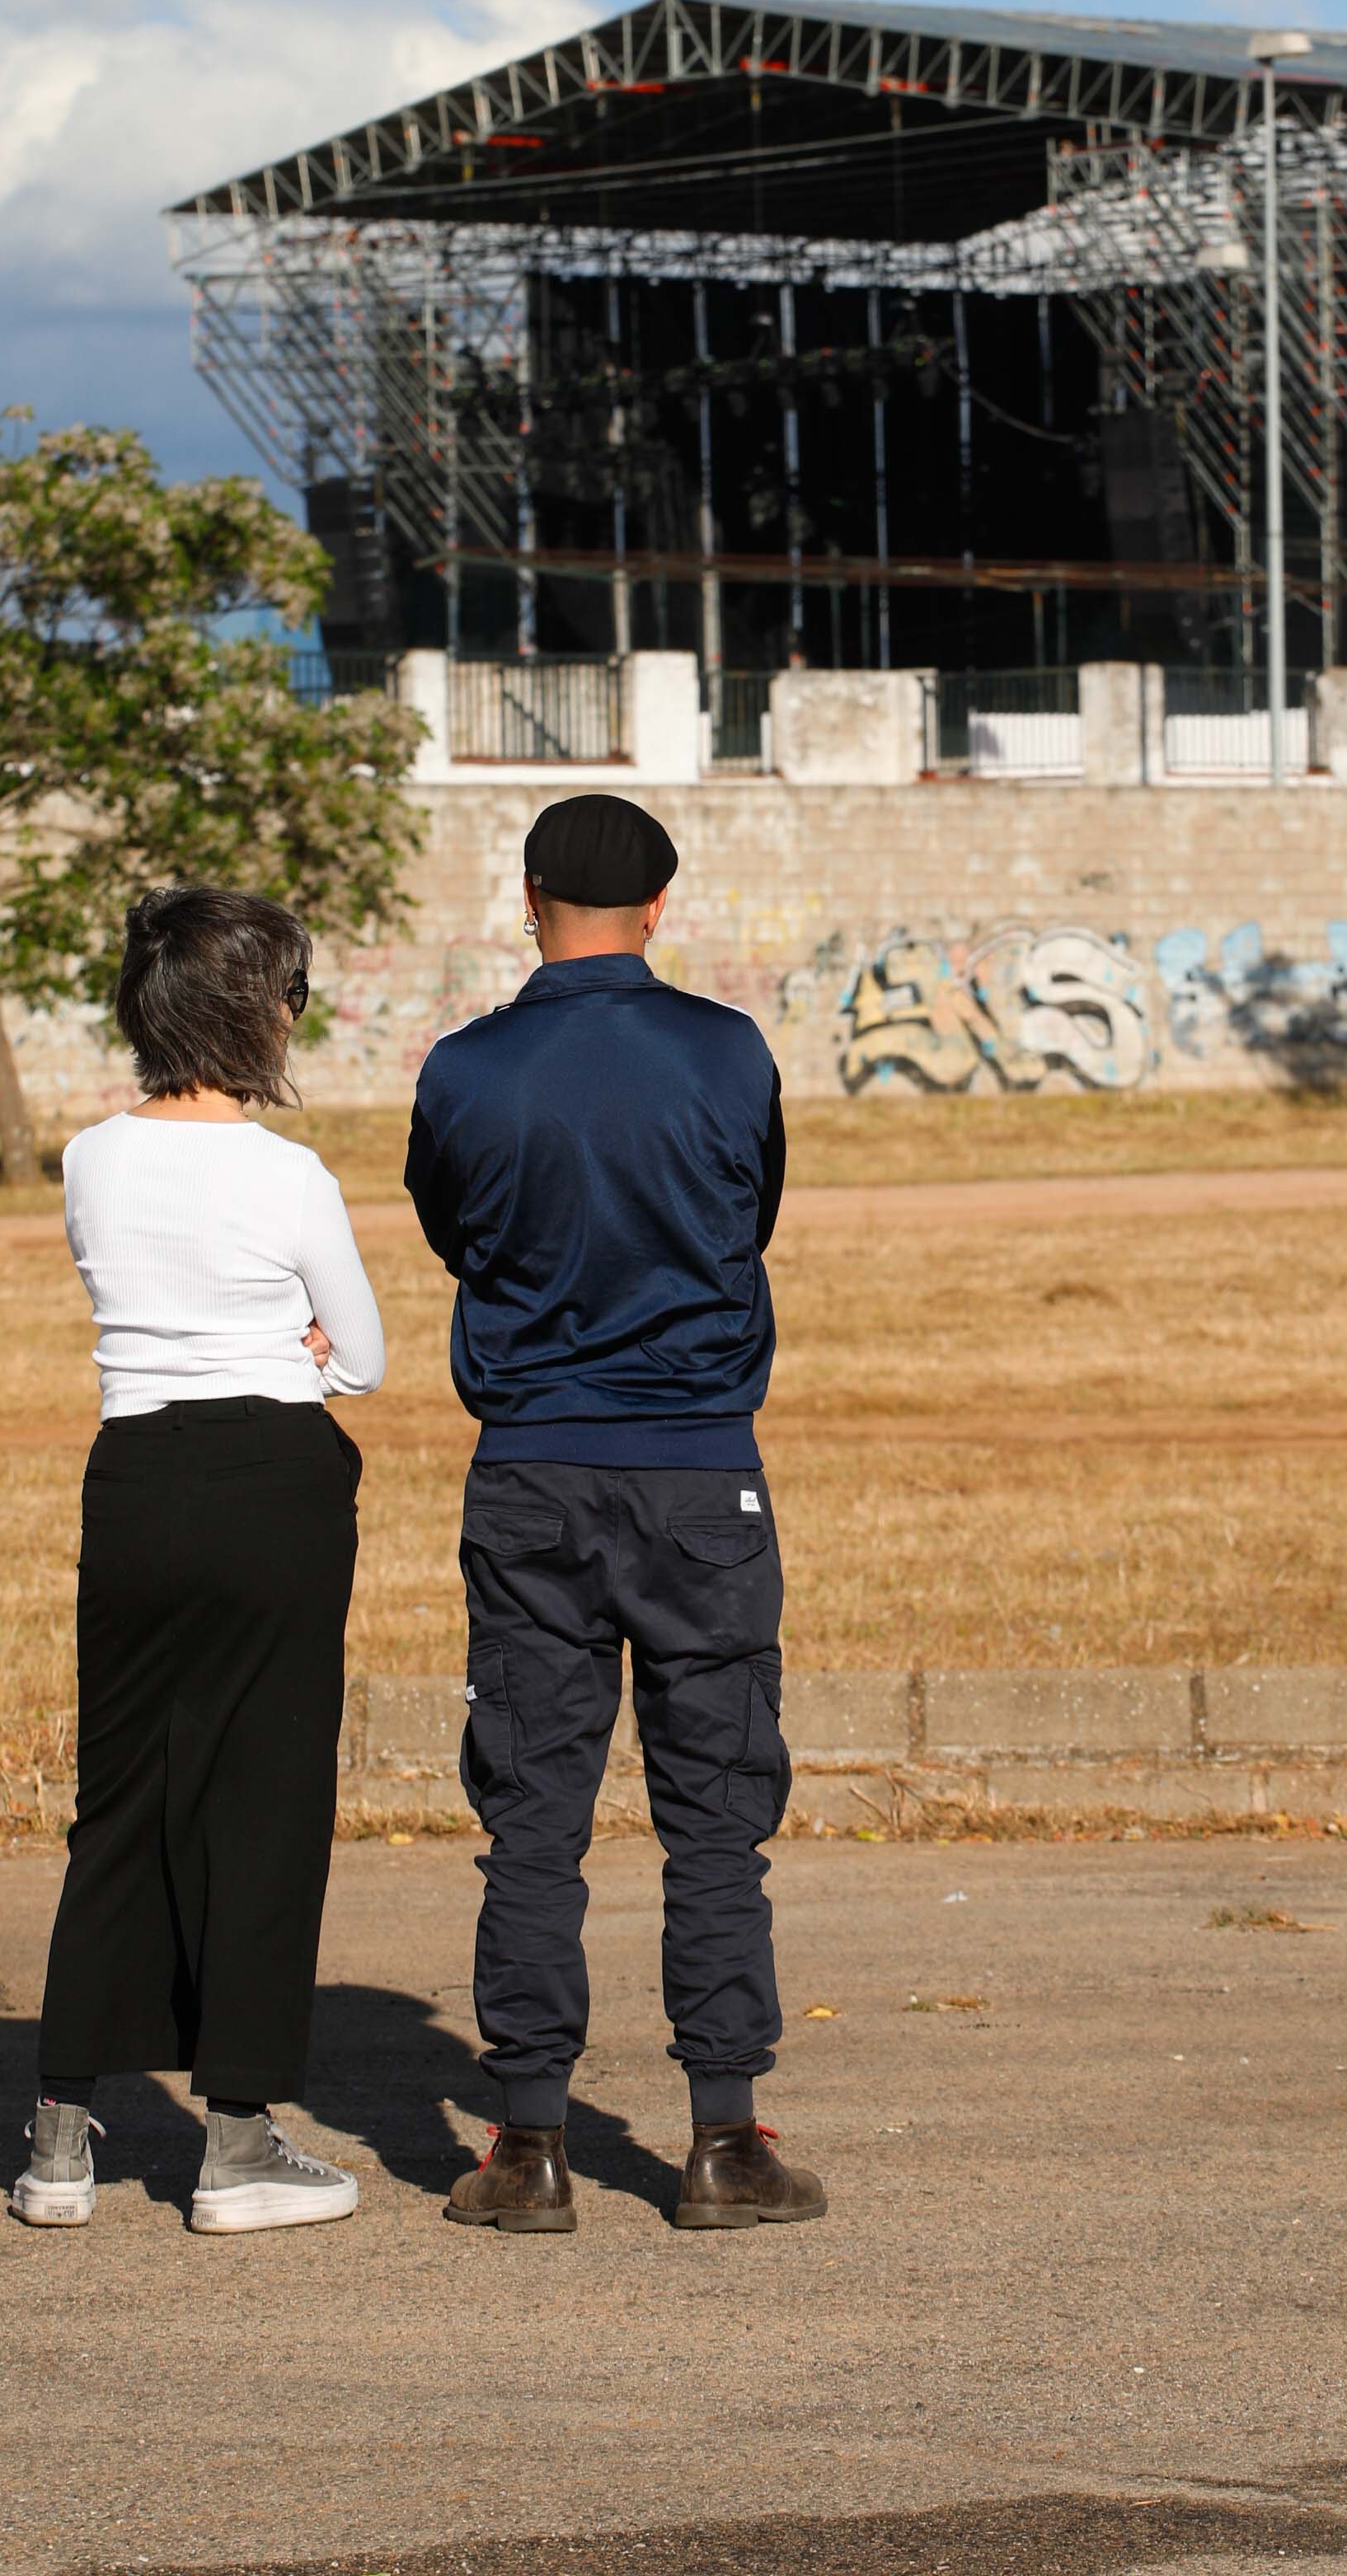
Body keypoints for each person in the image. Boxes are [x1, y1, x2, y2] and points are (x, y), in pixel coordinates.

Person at [407, 791, 824, 2237]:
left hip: (531, 1469)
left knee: (531, 1819)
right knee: (715, 1816)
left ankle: (525, 2147)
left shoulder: (465, 1071)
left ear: (527, 898)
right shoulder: (726, 1052)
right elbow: (750, 1215)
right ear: (661, 907)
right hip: (701, 1468)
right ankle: (724, 2136)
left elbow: (453, 1231)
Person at [11, 888, 384, 2236]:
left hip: (138, 1482)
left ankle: (60, 2136)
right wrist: (293, 1348)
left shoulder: (89, 1158)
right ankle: (235, 2142)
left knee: (117, 1798)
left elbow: (111, 1282)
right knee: (263, 1804)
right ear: (256, 1013)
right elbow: (364, 1354)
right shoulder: (289, 1175)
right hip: (271, 1485)